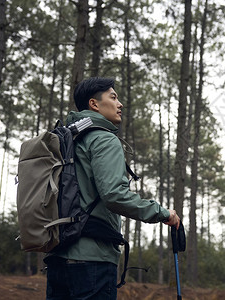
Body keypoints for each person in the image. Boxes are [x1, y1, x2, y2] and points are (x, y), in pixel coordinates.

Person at [45, 77, 181, 300]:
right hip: (93, 261)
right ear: (94, 104)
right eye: (113, 97)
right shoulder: (104, 139)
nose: (120, 104)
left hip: (58, 258)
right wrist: (163, 213)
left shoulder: (67, 140)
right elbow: (115, 195)